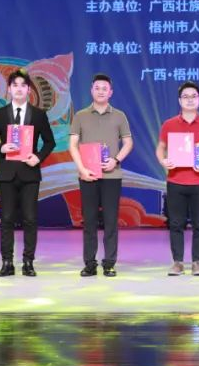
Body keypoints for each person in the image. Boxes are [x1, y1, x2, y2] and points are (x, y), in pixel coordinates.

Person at [0, 69, 55, 277]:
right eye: (15, 85)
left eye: (23, 85)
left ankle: (28, 262)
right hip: (7, 173)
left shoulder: (38, 114)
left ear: (29, 90)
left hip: (29, 173)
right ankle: (7, 262)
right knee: (6, 219)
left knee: (30, 219)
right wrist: (1, 147)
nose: (19, 89)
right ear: (9, 89)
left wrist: (38, 157)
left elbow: (50, 142)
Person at [69, 73, 133, 277]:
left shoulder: (119, 116)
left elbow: (128, 142)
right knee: (89, 221)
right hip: (88, 175)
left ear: (111, 92)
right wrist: (82, 169)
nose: (101, 91)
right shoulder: (80, 116)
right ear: (91, 90)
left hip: (112, 176)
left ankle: (109, 263)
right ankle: (89, 264)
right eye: (97, 88)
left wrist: (116, 160)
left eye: (105, 88)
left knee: (111, 221)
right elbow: (72, 145)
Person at [156, 81, 199, 276]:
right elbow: (160, 147)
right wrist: (163, 161)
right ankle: (177, 263)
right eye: (186, 96)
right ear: (179, 100)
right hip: (176, 181)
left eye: (194, 96)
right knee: (176, 224)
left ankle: (197, 262)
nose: (190, 100)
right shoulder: (169, 124)